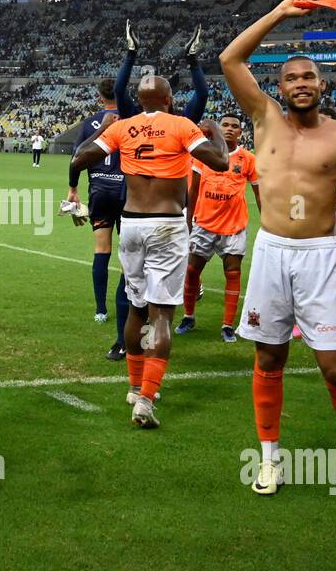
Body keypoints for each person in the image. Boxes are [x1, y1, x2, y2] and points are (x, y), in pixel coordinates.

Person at [219, 0, 336, 511]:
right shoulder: (263, 119)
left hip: (319, 255)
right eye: (291, 77)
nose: (300, 84)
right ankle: (270, 456)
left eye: (308, 77)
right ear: (280, 87)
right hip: (271, 252)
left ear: (322, 85)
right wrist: (276, 14)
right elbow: (230, 59)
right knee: (269, 356)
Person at [69, 76, 229, 428]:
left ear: (140, 101)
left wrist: (104, 132)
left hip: (132, 225)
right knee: (161, 314)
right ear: (170, 99)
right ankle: (145, 398)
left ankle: (133, 385)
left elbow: (80, 158)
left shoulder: (123, 127)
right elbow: (219, 162)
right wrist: (215, 130)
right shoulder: (181, 125)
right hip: (166, 226)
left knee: (136, 307)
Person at [176, 115, 260, 341]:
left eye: (235, 126)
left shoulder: (248, 159)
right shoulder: (204, 155)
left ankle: (227, 325)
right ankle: (188, 316)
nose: (230, 129)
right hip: (203, 223)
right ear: (218, 130)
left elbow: (259, 193)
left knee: (232, 273)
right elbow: (192, 191)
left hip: (234, 227)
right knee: (192, 271)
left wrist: (267, 221)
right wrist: (189, 219)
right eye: (226, 125)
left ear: (241, 133)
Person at [66, 79, 131, 357]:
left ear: (99, 96)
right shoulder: (132, 119)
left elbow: (76, 156)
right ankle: (131, 305)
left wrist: (73, 188)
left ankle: (101, 310)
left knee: (101, 248)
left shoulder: (92, 121)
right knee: (129, 253)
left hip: (100, 191)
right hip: (127, 192)